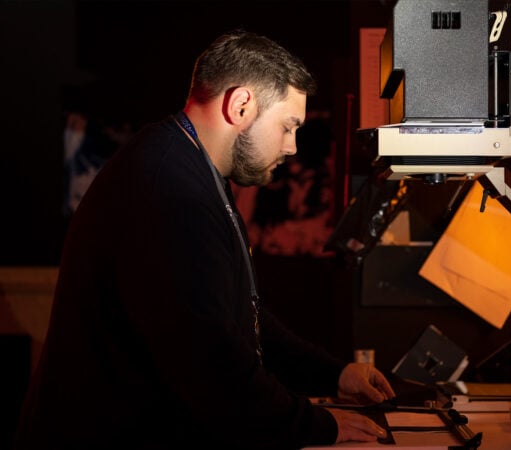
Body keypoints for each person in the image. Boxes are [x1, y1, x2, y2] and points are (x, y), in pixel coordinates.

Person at [14, 30, 395, 449]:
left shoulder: (189, 167)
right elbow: (213, 363)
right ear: (241, 105)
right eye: (289, 126)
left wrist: (333, 374)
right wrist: (319, 425)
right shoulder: (168, 187)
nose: (292, 147)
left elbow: (241, 318)